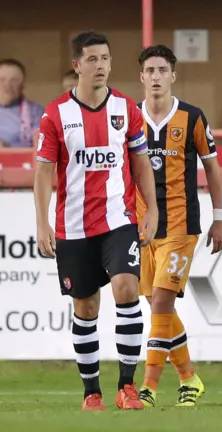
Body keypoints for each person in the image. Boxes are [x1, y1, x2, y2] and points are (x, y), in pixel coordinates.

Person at [34, 30, 158, 411]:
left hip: (118, 220)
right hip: (72, 226)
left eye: (105, 58)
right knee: (86, 308)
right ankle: (92, 392)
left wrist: (150, 208)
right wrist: (42, 223)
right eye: (92, 59)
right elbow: (42, 173)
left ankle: (127, 386)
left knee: (126, 287)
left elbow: (140, 162)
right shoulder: (55, 114)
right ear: (77, 65)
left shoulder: (126, 108)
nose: (101, 65)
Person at [135, 45, 222, 408]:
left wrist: (219, 219)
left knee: (160, 303)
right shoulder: (128, 118)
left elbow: (213, 169)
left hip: (181, 225)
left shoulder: (192, 117)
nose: (156, 77)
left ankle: (149, 387)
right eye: (150, 70)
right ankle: (190, 378)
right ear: (141, 77)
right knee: (158, 307)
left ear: (173, 75)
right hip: (142, 229)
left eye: (162, 70)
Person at [0, 58, 44, 147]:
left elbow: (42, 148)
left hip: (21, 159)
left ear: (22, 85)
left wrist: (8, 149)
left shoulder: (35, 111)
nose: (7, 85)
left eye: (14, 80)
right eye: (2, 79)